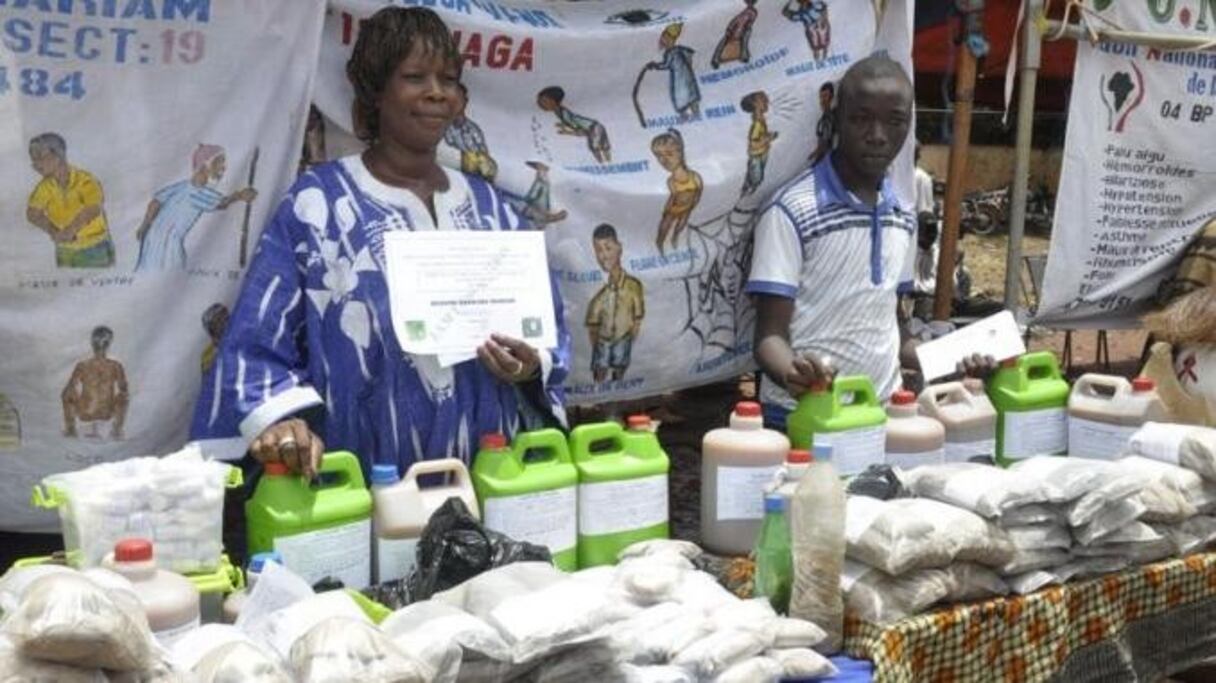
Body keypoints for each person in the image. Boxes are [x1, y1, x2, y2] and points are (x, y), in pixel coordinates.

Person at [191, 7, 570, 478]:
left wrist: (529, 366)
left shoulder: (492, 211)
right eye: (415, 76)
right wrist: (282, 421)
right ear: (374, 92)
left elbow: (548, 332)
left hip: (490, 480)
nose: (436, 92)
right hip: (365, 488)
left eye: (448, 80)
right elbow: (257, 341)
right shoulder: (318, 206)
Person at [746, 56, 987, 430]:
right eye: (861, 119)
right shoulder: (791, 210)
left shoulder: (901, 216)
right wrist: (795, 374)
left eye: (894, 121)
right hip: (802, 417)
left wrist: (955, 358)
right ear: (837, 121)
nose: (878, 134)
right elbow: (769, 338)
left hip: (882, 414)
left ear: (909, 126)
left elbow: (895, 333)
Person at [135, 144, 258, 271]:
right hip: (167, 243)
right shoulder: (196, 191)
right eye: (219, 163)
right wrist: (240, 195)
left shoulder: (184, 186)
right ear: (206, 165)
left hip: (154, 237)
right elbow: (220, 203)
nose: (224, 168)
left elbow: (155, 202)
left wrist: (145, 226)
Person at [26, 133, 115, 268]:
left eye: (39, 157)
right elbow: (32, 213)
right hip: (66, 251)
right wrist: (54, 231)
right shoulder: (44, 187)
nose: (36, 165)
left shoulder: (85, 180)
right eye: (33, 160)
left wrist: (70, 231)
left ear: (58, 156)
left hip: (95, 247)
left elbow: (93, 209)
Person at [587, 224, 645, 382]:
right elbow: (592, 324)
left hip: (623, 339)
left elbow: (638, 317)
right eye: (598, 250)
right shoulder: (599, 294)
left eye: (608, 248)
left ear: (619, 248)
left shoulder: (633, 286)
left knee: (620, 370)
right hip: (602, 341)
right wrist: (597, 344)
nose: (604, 255)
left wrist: (628, 339)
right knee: (600, 371)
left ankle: (619, 394)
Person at [62, 326, 128, 440]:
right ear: (108, 344)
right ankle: (117, 429)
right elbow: (123, 388)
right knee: (123, 395)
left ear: (92, 343)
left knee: (67, 393)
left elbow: (70, 388)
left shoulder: (82, 366)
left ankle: (71, 429)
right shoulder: (116, 366)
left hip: (85, 412)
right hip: (107, 413)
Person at [651, 128, 703, 254]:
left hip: (687, 208)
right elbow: (672, 199)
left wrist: (692, 205)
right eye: (659, 156)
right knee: (664, 227)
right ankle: (659, 243)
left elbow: (698, 193)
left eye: (669, 154)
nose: (664, 160)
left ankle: (675, 239)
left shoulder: (694, 177)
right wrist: (666, 212)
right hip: (673, 209)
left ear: (680, 152)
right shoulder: (671, 181)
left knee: (680, 225)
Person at [536, 86, 612, 164]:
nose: (539, 104)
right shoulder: (559, 111)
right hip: (594, 126)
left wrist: (567, 132)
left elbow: (576, 126)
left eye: (543, 101)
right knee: (602, 146)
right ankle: (607, 163)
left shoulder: (562, 112)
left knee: (597, 147)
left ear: (552, 101)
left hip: (593, 127)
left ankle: (603, 164)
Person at [443, 83, 498, 181]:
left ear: (465, 102)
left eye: (458, 99)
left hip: (472, 177)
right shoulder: (441, 126)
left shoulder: (473, 130)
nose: (454, 103)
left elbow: (484, 157)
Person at [646, 23, 700, 120]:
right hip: (686, 76)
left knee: (682, 97)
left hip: (679, 79)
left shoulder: (671, 53)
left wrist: (654, 66)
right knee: (690, 96)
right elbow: (689, 54)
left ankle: (686, 117)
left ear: (670, 40)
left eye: (665, 38)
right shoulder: (679, 50)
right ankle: (695, 114)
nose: (663, 41)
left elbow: (665, 65)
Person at [740, 91, 778, 197]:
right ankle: (746, 196)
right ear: (755, 103)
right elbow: (753, 143)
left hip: (762, 153)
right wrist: (768, 138)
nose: (767, 101)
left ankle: (747, 192)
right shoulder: (757, 123)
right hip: (757, 155)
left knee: (756, 177)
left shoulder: (761, 120)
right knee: (756, 177)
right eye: (763, 99)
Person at [712, 0, 758, 70]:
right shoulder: (746, 12)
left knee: (744, 40)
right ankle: (716, 59)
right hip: (735, 29)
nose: (749, 3)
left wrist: (744, 29)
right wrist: (730, 29)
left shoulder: (752, 12)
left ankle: (744, 56)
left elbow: (749, 23)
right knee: (724, 40)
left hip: (743, 30)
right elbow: (735, 21)